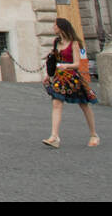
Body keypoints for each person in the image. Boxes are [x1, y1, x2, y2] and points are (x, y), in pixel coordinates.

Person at [42, 17, 100, 148]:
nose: (53, 27)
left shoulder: (74, 43)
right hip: (59, 77)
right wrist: (48, 75)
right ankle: (54, 136)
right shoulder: (56, 42)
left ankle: (93, 134)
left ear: (61, 27)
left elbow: (77, 64)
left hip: (72, 78)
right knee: (56, 103)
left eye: (55, 25)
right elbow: (53, 60)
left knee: (84, 105)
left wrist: (65, 66)